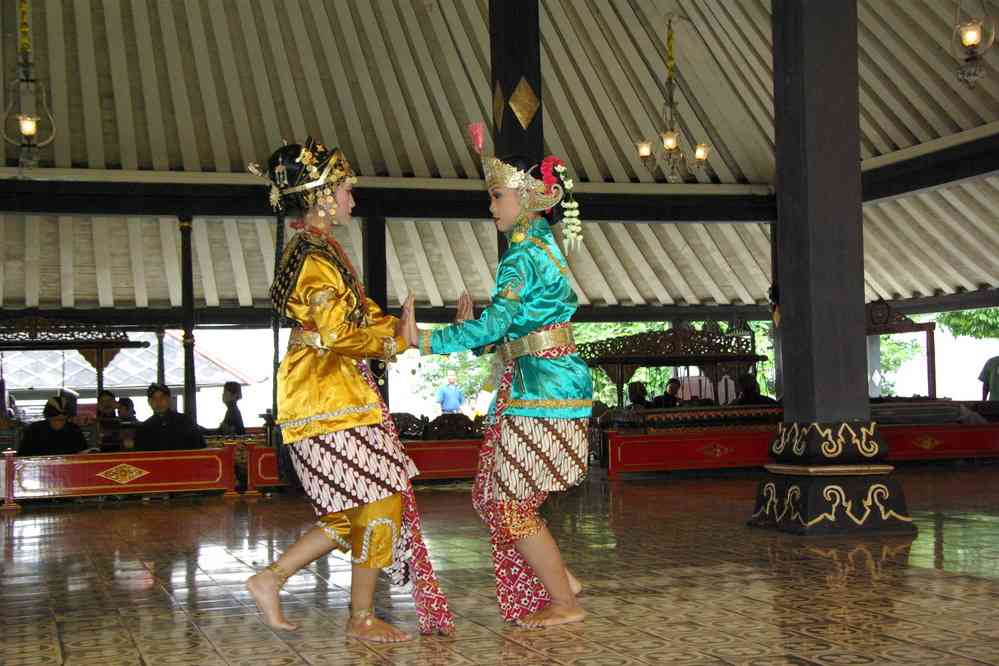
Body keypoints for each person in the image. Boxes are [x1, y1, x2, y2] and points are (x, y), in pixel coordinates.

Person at [244, 139, 452, 641]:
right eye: (345, 191)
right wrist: (393, 343)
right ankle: (358, 616)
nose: (352, 200)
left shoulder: (321, 251)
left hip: (331, 390)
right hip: (324, 395)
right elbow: (339, 335)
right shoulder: (314, 258)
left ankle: (272, 579)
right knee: (379, 501)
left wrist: (405, 332)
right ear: (321, 197)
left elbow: (357, 317)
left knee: (354, 512)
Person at [404, 135, 591, 629]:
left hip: (544, 387)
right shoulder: (536, 245)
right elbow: (510, 330)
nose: (491, 207)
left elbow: (495, 326)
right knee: (494, 498)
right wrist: (482, 336)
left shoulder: (522, 255)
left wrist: (422, 340)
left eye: (497, 196)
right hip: (541, 379)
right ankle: (562, 582)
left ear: (527, 196)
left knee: (509, 506)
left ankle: (566, 602)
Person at [134, 384, 206, 451]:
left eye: (162, 397)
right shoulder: (144, 428)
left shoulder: (186, 422)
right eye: (154, 398)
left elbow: (199, 447)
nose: (158, 402)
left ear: (169, 399)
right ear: (149, 402)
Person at [19, 396, 89, 456]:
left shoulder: (74, 430)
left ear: (67, 418)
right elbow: (23, 456)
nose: (58, 423)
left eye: (62, 420)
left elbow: (83, 454)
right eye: (55, 420)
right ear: (47, 418)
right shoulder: (34, 430)